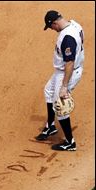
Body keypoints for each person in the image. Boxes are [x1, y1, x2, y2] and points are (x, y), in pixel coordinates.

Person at [35, 10, 84, 151]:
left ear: (55, 23)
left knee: (60, 107)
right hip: (61, 72)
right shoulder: (75, 25)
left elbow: (69, 63)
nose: (52, 30)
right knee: (48, 90)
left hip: (67, 73)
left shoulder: (67, 37)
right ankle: (50, 126)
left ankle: (70, 142)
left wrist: (64, 86)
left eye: (51, 27)